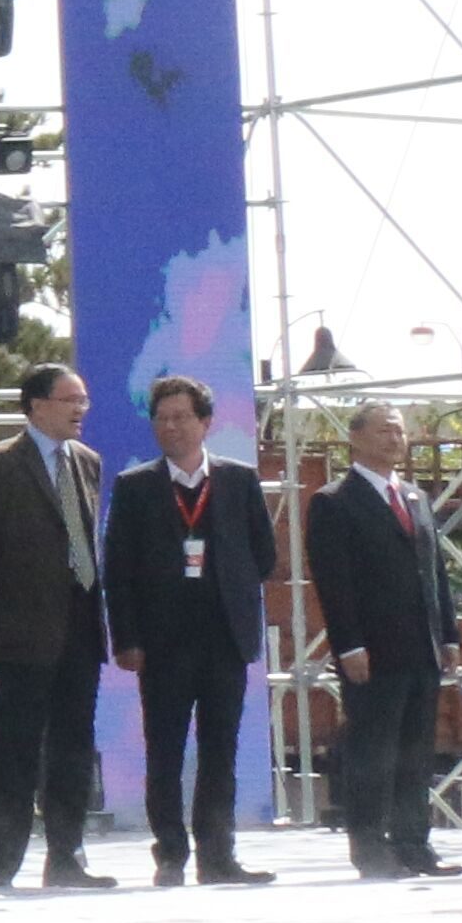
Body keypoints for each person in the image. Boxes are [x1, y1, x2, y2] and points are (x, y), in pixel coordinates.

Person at [103, 376, 282, 885]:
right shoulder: (135, 486)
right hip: (163, 643)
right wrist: (127, 638)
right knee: (164, 751)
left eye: (181, 417)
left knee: (220, 751)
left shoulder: (238, 480)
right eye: (162, 419)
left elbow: (264, 555)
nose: (171, 427)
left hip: (225, 637)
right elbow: (118, 569)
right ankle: (170, 854)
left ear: (205, 422)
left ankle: (218, 855)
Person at [0, 366, 115, 889]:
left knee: (73, 745)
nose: (80, 409)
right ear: (37, 405)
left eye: (84, 400)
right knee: (15, 746)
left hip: (80, 625)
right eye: (70, 400)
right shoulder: (0, 463)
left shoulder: (87, 461)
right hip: (23, 630)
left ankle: (67, 857)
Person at [305, 402, 459, 880]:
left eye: (399, 431)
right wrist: (349, 645)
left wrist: (448, 634)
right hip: (372, 650)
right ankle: (370, 846)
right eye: (384, 430)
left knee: (416, 752)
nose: (395, 439)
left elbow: (435, 572)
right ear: (355, 438)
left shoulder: (415, 497)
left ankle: (414, 843)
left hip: (422, 646)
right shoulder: (335, 501)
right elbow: (335, 582)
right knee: (373, 751)